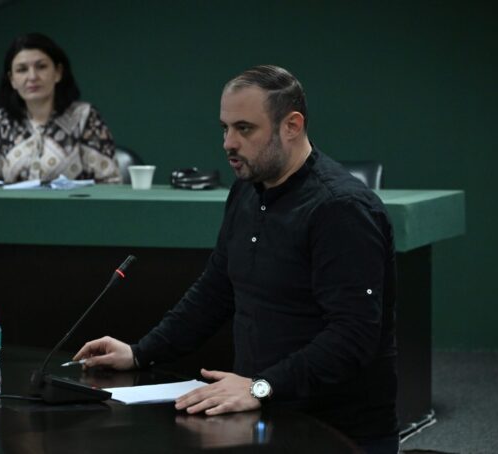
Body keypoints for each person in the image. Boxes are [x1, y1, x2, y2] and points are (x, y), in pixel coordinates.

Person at [74, 65, 399, 453]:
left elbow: (353, 335)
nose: (229, 142)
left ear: (292, 126)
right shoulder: (247, 190)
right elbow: (216, 290)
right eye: (225, 128)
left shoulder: (340, 209)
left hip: (337, 431)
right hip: (261, 414)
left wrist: (262, 386)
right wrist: (141, 352)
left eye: (244, 129)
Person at [0, 33, 121, 183]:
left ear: (58, 72)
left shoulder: (83, 117)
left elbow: (110, 182)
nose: (32, 77)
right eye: (22, 70)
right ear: (12, 80)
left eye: (41, 67)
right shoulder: (2, 121)